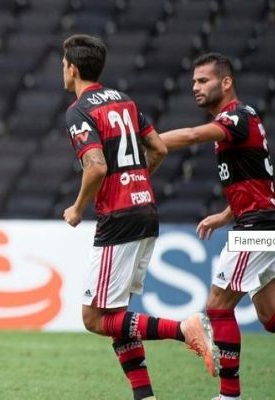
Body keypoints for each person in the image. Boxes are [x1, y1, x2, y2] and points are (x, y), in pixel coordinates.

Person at [61, 34, 220, 400]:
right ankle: (144, 395)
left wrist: (77, 207)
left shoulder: (80, 111)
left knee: (94, 319)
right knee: (117, 316)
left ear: (72, 67)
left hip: (119, 217)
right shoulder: (124, 101)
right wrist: (137, 180)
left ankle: (185, 328)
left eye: (63, 64)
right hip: (145, 210)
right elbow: (159, 147)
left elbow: (96, 167)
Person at [160, 52, 275, 400]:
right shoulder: (238, 121)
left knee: (218, 307)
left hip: (256, 229)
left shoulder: (236, 116)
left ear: (225, 82)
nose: (195, 87)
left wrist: (148, 140)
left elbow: (194, 133)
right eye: (194, 81)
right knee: (270, 316)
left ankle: (229, 396)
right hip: (260, 222)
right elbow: (258, 180)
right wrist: (225, 215)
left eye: (203, 80)